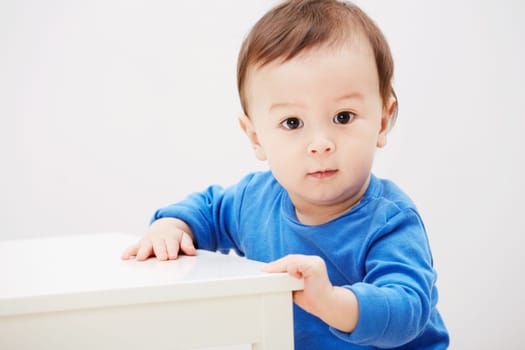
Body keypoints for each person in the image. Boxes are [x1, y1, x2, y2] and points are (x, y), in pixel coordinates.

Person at [121, 0, 449, 348]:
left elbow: (408, 310)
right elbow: (207, 210)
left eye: (343, 117)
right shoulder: (254, 200)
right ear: (256, 137)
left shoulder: (390, 220)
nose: (320, 144)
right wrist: (172, 226)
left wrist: (332, 302)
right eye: (292, 123)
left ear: (382, 122)